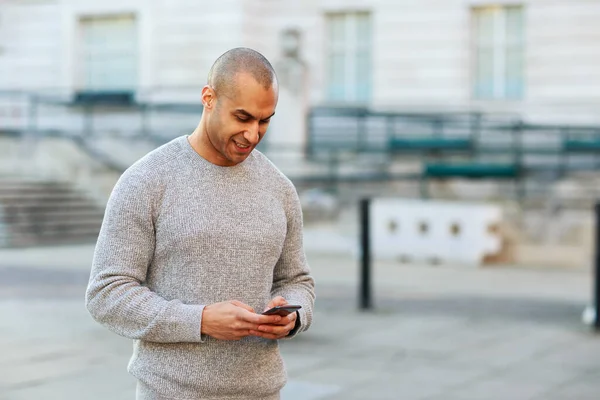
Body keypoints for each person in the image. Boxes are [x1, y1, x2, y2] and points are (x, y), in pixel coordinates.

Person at [85, 47, 315, 400]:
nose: (253, 134)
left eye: (264, 120)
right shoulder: (147, 180)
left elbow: (296, 280)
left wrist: (293, 316)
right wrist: (200, 320)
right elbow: (106, 293)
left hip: (263, 392)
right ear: (209, 98)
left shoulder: (280, 188)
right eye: (242, 117)